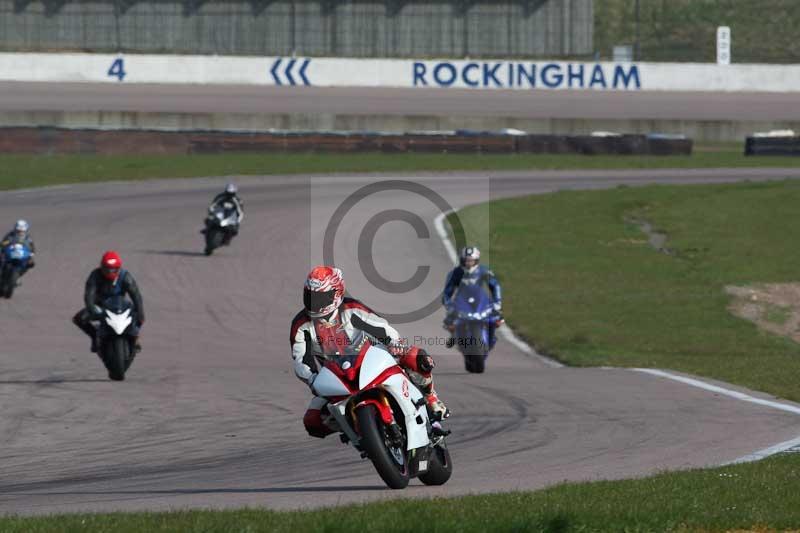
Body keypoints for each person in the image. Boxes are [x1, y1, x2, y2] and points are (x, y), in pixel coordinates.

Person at [290, 265, 449, 439]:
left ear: (336, 293)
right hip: (337, 377)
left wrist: (394, 343)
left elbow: (381, 327)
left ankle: (431, 398)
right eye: (310, 296)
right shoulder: (301, 325)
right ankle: (353, 428)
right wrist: (313, 379)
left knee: (417, 357)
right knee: (312, 422)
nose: (315, 302)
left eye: (320, 297)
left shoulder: (351, 308)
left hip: (371, 359)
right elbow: (301, 359)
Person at [72, 251, 145, 354]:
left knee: (139, 316)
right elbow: (89, 295)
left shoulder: (125, 277)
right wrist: (91, 308)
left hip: (120, 305)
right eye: (107, 269)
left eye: (113, 269)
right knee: (78, 319)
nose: (110, 272)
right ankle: (94, 336)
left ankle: (135, 338)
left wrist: (140, 312)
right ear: (102, 267)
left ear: (119, 268)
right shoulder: (95, 275)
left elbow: (136, 295)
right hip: (101, 306)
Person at [442, 246, 503, 348]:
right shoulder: (455, 273)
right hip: (461, 300)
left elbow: (495, 285)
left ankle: (491, 336)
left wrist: (497, 302)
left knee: (497, 317)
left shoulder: (484, 271)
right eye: (466, 261)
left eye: (471, 261)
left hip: (480, 299)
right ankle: (454, 336)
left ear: (476, 261)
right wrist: (448, 304)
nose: (468, 263)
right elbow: (447, 292)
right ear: (462, 260)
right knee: (449, 320)